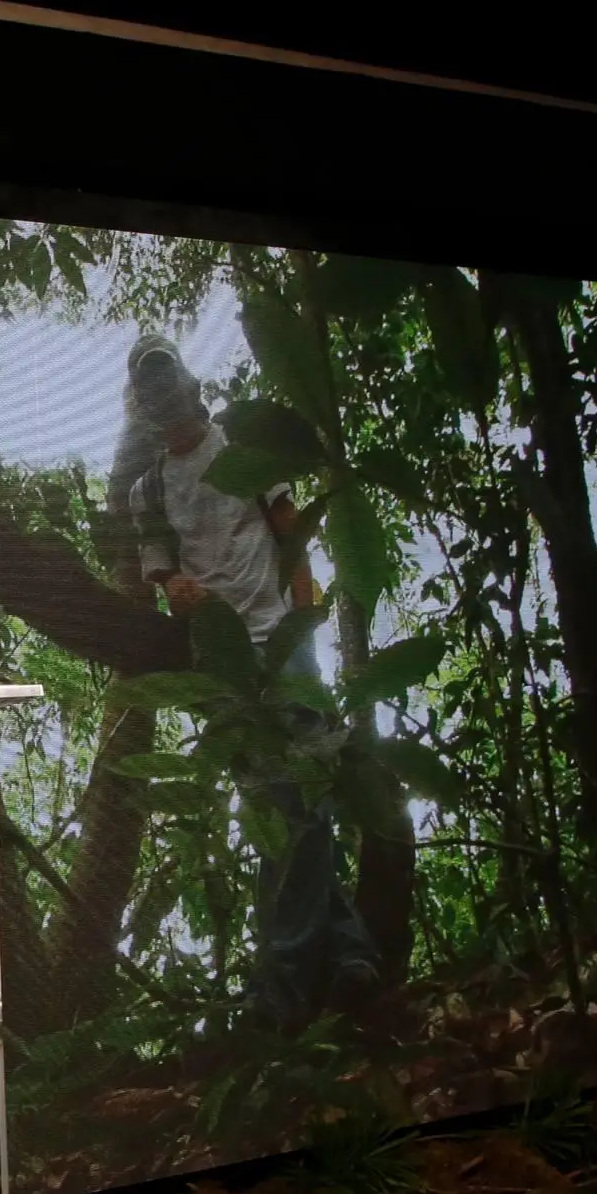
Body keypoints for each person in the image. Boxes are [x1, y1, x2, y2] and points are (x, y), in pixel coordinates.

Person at [122, 336, 381, 1033]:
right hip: (224, 662)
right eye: (152, 394)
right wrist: (173, 585)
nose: (166, 403)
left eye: (170, 386)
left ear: (189, 386)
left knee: (303, 800)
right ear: (143, 407)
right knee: (278, 808)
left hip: (283, 644)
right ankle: (352, 957)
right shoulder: (148, 485)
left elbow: (289, 531)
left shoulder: (240, 450)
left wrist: (308, 618)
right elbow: (157, 570)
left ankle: (285, 984)